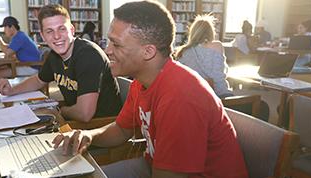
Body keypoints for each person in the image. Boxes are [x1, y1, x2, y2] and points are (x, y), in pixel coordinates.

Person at [52, 1, 248, 178]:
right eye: (109, 41)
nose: (107, 50)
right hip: (153, 165)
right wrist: (89, 135)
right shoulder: (143, 80)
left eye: (116, 44)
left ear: (148, 52)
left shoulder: (180, 97)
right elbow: (121, 129)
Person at [0, 4, 122, 122]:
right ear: (43, 36)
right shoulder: (54, 56)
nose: (56, 36)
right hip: (78, 122)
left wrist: (60, 109)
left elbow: (84, 114)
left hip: (101, 126)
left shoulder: (88, 55)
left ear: (72, 30)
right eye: (49, 31)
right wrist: (11, 90)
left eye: (62, 29)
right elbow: (38, 80)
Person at [175, 14, 269, 122]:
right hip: (221, 101)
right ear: (210, 32)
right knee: (262, 106)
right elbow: (220, 77)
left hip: (195, 104)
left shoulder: (181, 52)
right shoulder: (216, 45)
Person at [175, 14, 232, 98]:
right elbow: (218, 76)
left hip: (192, 98)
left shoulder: (183, 51)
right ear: (211, 32)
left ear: (193, 32)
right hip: (218, 96)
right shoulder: (217, 46)